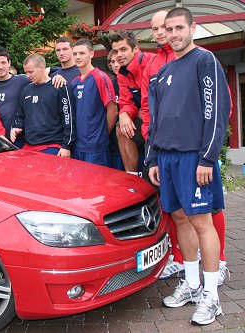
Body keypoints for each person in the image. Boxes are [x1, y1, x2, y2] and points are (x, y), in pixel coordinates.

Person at [146, 7, 230, 325]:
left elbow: (216, 111)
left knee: (201, 222)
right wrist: (153, 158)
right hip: (166, 159)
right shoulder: (164, 70)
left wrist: (207, 158)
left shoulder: (204, 60)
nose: (174, 33)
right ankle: (192, 285)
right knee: (180, 218)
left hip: (194, 157)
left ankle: (212, 296)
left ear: (192, 28)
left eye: (180, 27)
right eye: (169, 29)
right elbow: (157, 120)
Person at [10, 54, 75, 156]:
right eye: (26, 72)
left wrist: (66, 146)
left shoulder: (59, 86)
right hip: (28, 146)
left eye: (30, 72)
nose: (28, 76)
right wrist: (17, 127)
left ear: (41, 68)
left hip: (52, 146)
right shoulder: (26, 90)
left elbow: (69, 119)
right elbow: (20, 116)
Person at [110, 31, 154, 175]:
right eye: (116, 51)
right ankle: (132, 176)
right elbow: (126, 101)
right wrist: (123, 114)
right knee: (121, 127)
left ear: (135, 49)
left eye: (124, 49)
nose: (119, 55)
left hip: (162, 124)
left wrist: (147, 111)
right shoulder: (122, 74)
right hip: (144, 120)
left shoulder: (152, 62)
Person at [71, 39, 117, 166]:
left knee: (97, 184)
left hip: (96, 147)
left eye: (82, 53)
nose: (78, 57)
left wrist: (101, 134)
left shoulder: (100, 77)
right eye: (75, 54)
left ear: (91, 54)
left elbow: (112, 111)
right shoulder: (74, 82)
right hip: (78, 145)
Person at [106, 50, 124, 171]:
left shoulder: (134, 82)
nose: (116, 65)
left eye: (118, 61)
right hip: (112, 144)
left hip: (133, 140)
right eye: (112, 62)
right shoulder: (109, 84)